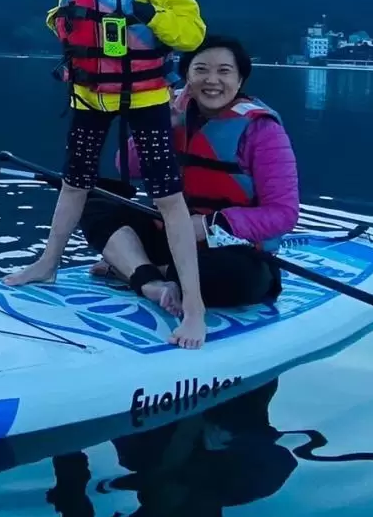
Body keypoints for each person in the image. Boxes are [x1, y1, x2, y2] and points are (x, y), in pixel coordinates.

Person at [4, 0, 209, 350]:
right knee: (74, 182)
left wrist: (149, 14)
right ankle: (48, 263)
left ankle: (194, 308)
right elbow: (64, 20)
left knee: (168, 198)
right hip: (89, 93)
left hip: (145, 96)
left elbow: (192, 32)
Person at [86, 35, 300, 310]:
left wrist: (212, 225)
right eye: (201, 70)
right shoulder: (172, 111)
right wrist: (160, 127)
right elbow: (127, 166)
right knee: (96, 203)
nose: (212, 80)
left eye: (224, 71)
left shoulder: (263, 131)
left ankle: (133, 266)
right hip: (169, 235)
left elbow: (284, 213)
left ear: (240, 80)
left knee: (236, 277)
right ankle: (151, 280)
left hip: (230, 251)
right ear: (186, 76)